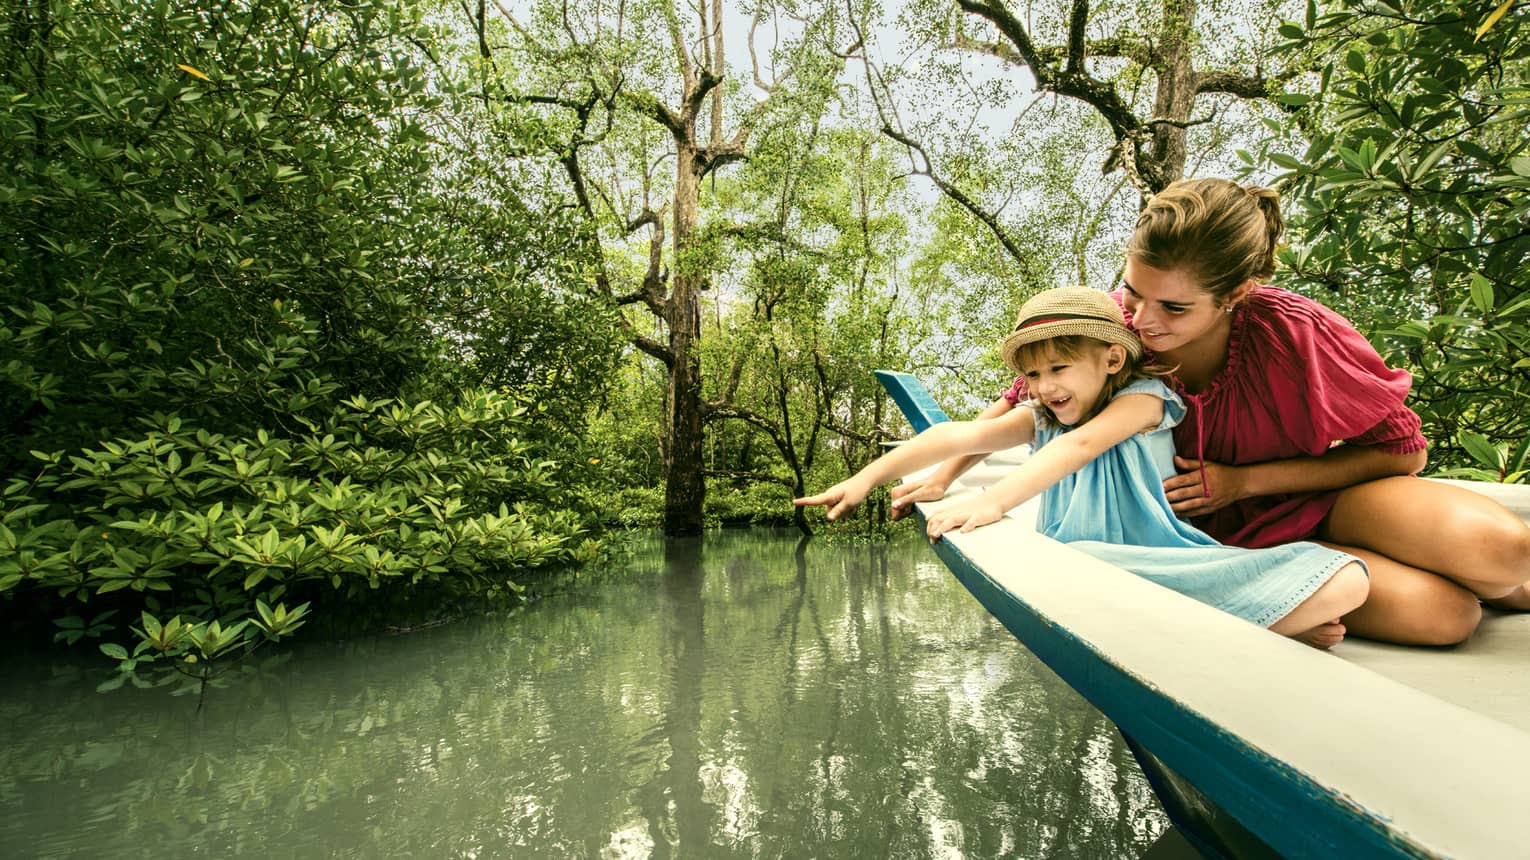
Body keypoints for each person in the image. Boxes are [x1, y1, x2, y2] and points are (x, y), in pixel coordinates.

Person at [900, 179, 1530, 646]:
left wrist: (1247, 481)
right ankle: (1344, 574)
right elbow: (1027, 399)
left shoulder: (1295, 335)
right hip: (1207, 543)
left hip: (1318, 498)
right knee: (1448, 620)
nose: (1141, 321)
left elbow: (1405, 452)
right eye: (1132, 292)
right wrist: (948, 472)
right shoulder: (1114, 335)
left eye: (1173, 309)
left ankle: (1495, 582)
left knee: (1505, 551)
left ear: (1236, 295)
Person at [795, 287, 1370, 649]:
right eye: (1035, 376)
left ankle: (1262, 620)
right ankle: (1269, 624)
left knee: (1347, 577)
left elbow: (1082, 446)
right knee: (1070, 574)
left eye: (1059, 368)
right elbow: (961, 433)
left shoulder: (1146, 401)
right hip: (1083, 565)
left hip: (1154, 557)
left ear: (1112, 358)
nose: (1045, 388)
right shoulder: (1047, 414)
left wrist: (990, 502)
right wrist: (865, 476)